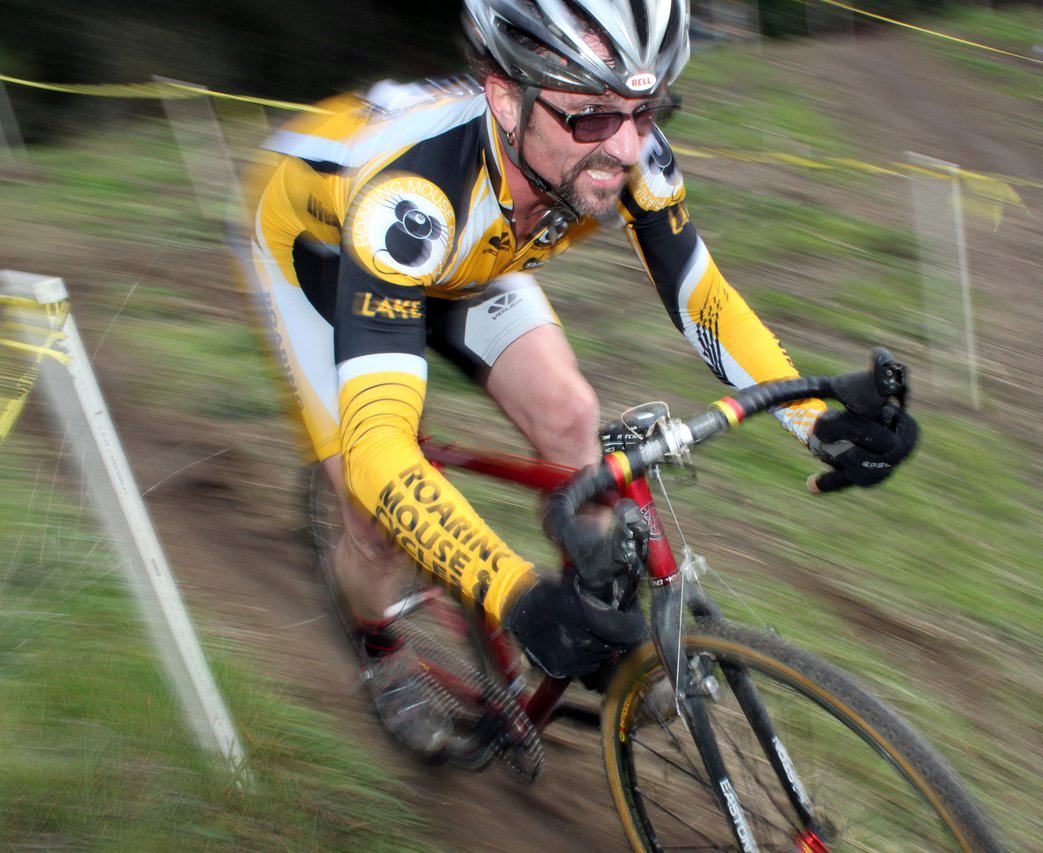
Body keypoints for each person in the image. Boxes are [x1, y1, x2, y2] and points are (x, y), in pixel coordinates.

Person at [232, 0, 917, 749]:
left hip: (477, 250)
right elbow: (377, 450)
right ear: (505, 97)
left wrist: (816, 418)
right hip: (321, 255)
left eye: (648, 110)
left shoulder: (608, 148)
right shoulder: (410, 197)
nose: (626, 147)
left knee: (569, 417)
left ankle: (604, 632)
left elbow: (702, 296)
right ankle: (382, 652)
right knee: (374, 521)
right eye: (594, 117)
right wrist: (515, 593)